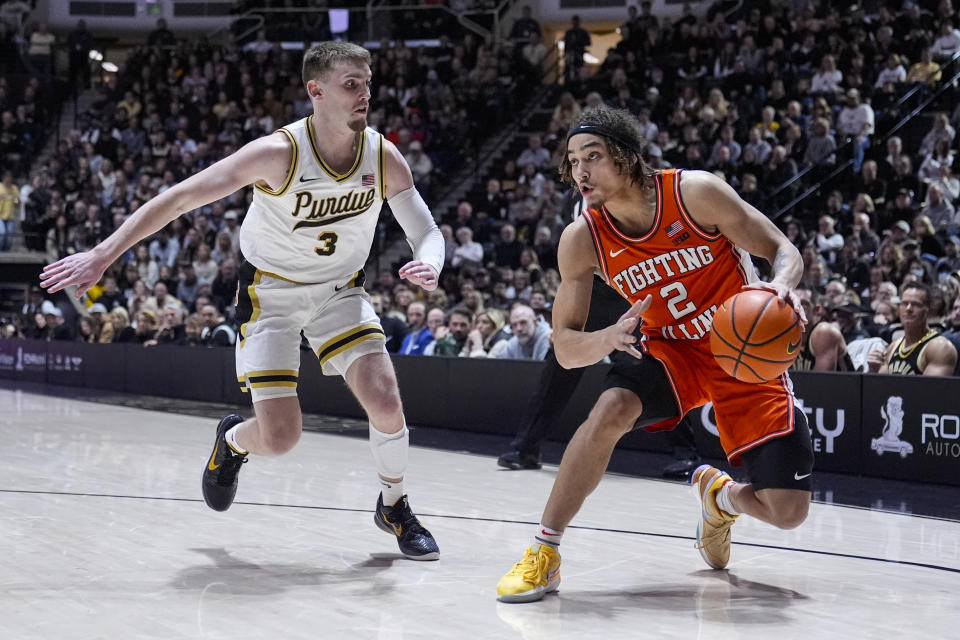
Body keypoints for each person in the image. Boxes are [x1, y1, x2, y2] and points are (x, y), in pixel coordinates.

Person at [40, 42, 445, 560]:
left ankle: (394, 505)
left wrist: (430, 262)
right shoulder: (278, 153)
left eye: (367, 82)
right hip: (270, 295)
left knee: (387, 402)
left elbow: (427, 231)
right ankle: (232, 442)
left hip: (340, 290)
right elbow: (181, 196)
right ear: (315, 90)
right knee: (280, 438)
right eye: (351, 84)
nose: (365, 93)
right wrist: (104, 253)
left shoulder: (382, 155)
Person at [497, 106, 812, 603]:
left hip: (740, 348)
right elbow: (564, 346)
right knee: (610, 409)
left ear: (625, 157)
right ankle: (545, 550)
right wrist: (605, 339)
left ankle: (720, 496)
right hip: (672, 349)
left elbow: (782, 246)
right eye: (573, 160)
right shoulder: (583, 239)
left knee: (788, 512)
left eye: (593, 156)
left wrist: (780, 287)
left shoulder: (694, 193)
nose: (580, 170)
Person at [867, 282, 957, 376]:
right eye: (905, 303)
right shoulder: (893, 347)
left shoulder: (939, 348)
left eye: (916, 304)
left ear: (929, 310)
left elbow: (931, 389)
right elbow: (881, 387)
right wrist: (874, 371)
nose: (908, 309)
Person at [790, 288, 854, 371]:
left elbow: (822, 382)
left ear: (816, 310)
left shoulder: (824, 333)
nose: (795, 309)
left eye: (803, 305)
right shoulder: (783, 334)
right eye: (790, 304)